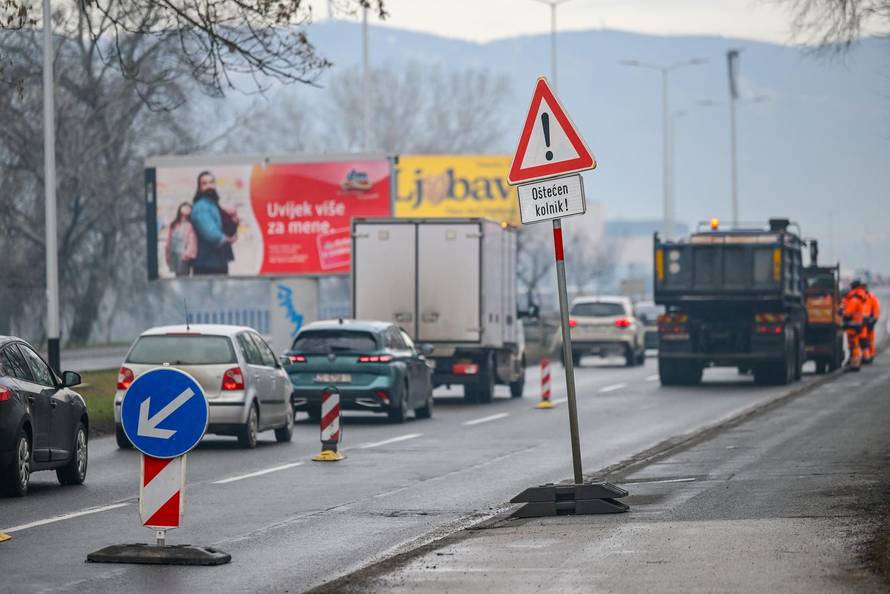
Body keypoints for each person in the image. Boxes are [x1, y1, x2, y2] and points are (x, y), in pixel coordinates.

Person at [190, 171, 238, 275]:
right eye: (204, 183)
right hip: (207, 262)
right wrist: (227, 239)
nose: (209, 186)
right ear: (199, 187)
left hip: (217, 260)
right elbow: (211, 233)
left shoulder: (213, 204)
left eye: (211, 182)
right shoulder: (201, 206)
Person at [841, 279, 868, 371]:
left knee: (853, 345)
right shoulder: (859, 298)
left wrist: (841, 312)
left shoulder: (853, 300)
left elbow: (848, 313)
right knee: (853, 345)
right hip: (856, 325)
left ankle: (855, 363)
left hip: (853, 325)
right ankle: (854, 362)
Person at [164, 202, 198, 277]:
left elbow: (192, 240)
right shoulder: (174, 224)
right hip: (174, 254)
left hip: (184, 254)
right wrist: (167, 254)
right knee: (178, 276)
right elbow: (169, 240)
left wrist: (187, 254)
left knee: (183, 276)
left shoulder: (190, 225)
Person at [862, 281, 881, 364]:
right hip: (861, 323)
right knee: (862, 341)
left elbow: (876, 310)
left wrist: (874, 320)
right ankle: (864, 356)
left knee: (870, 340)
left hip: (869, 322)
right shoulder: (858, 298)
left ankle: (870, 356)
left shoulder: (871, 298)